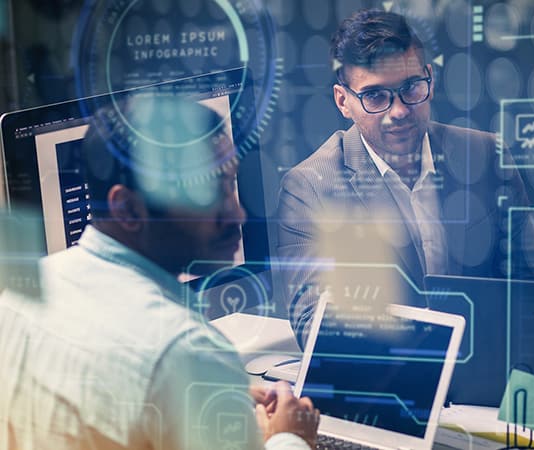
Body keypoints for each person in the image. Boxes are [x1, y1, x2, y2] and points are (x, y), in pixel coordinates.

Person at [0, 97, 318, 450]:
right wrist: (290, 436)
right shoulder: (186, 350)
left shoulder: (19, 294)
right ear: (128, 208)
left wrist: (207, 390)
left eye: (230, 183)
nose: (238, 214)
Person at [277, 9, 534, 344]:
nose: (399, 111)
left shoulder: (486, 156)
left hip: (485, 370)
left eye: (410, 87)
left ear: (430, 79)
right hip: (386, 379)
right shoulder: (310, 188)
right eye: (375, 96)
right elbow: (315, 326)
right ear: (343, 102)